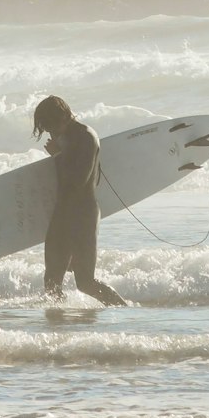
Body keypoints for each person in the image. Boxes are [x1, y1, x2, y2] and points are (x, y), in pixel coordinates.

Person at [32, 94, 127, 307]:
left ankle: (124, 312)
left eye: (50, 126)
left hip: (82, 216)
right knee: (51, 281)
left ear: (63, 116)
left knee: (85, 282)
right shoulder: (65, 138)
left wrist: (57, 156)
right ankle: (60, 327)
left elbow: (78, 181)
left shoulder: (86, 137)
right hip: (62, 214)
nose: (50, 132)